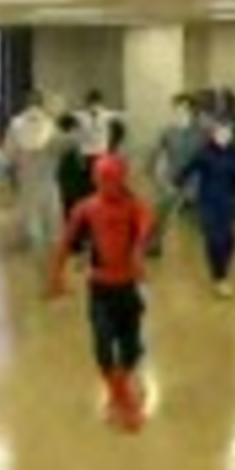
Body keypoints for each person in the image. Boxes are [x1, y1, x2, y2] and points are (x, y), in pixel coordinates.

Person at [49, 155, 153, 433]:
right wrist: (56, 275)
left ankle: (122, 388)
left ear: (122, 179)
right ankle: (122, 399)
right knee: (103, 344)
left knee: (131, 347)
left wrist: (138, 251)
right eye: (102, 179)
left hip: (127, 287)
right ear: (95, 180)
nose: (108, 184)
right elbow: (65, 241)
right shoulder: (86, 208)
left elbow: (145, 224)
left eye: (113, 179)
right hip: (100, 289)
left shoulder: (134, 206)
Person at [177, 123, 235, 298]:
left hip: (228, 203)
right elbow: (186, 170)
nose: (224, 135)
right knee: (214, 240)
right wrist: (177, 183)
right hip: (207, 203)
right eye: (220, 132)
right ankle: (220, 278)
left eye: (227, 132)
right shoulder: (204, 153)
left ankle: (221, 270)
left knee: (230, 241)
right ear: (213, 134)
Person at [2, 90, 66, 268]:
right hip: (46, 177)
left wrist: (11, 172)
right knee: (51, 219)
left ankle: (39, 259)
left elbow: (8, 154)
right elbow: (59, 150)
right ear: (41, 102)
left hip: (28, 177)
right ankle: (52, 264)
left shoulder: (16, 123)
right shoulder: (50, 123)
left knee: (32, 218)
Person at [146, 93, 207, 258]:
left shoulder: (202, 132)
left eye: (184, 109)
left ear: (192, 111)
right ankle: (153, 244)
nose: (180, 112)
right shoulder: (167, 131)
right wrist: (157, 181)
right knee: (160, 210)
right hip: (174, 180)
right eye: (177, 109)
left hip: (196, 181)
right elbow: (152, 155)